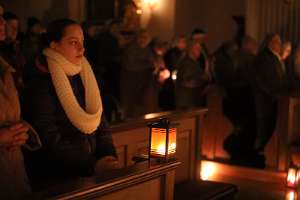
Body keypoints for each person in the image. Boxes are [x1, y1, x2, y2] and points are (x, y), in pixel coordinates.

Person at [22, 19, 118, 189]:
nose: (81, 49)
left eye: (82, 42)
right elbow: (49, 137)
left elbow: (100, 120)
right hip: (59, 178)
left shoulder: (84, 75)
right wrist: (92, 165)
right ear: (54, 46)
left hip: (92, 170)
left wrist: (108, 156)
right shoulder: (40, 84)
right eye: (73, 42)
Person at [0, 5, 41, 199]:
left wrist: (21, 130)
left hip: (12, 170)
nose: (3, 23)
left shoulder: (5, 69)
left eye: (2, 17)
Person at [176, 41, 209, 109]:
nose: (200, 51)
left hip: (191, 99)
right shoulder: (187, 63)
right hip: (187, 101)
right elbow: (187, 81)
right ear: (191, 50)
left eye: (200, 49)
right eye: (197, 48)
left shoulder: (194, 62)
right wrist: (203, 78)